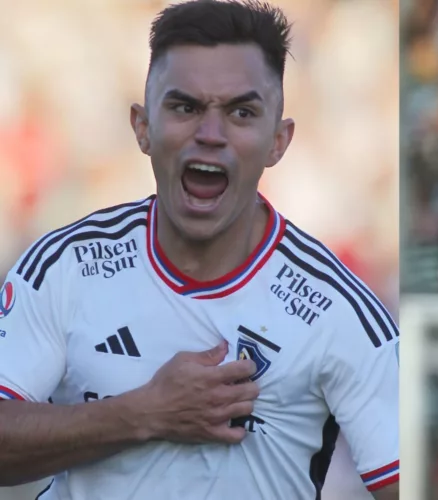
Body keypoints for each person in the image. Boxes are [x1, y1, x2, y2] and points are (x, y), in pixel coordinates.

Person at [0, 1, 399, 498]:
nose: (210, 135)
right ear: (142, 127)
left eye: (241, 112)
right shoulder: (65, 266)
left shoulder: (338, 308)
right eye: (185, 107)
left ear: (279, 140)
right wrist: (143, 413)